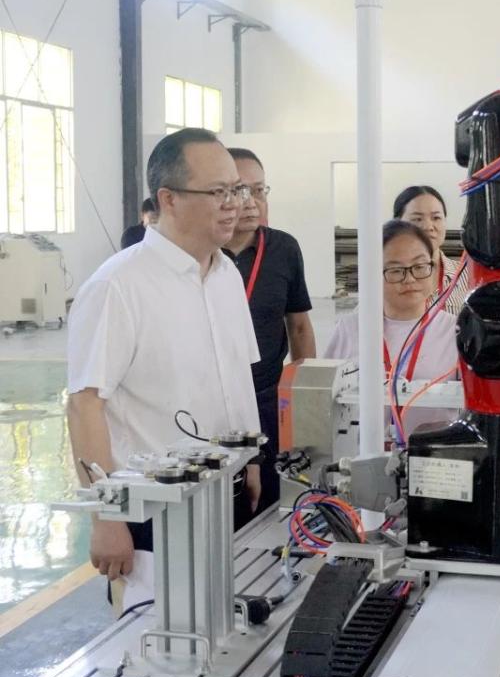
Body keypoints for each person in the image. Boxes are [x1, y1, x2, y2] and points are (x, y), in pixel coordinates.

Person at [67, 128, 261, 589]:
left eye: (238, 190)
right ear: (168, 199)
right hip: (154, 509)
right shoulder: (118, 286)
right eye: (218, 192)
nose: (235, 204)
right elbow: (84, 405)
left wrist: (250, 460)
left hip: (227, 494)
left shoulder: (226, 274)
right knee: (159, 630)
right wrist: (106, 517)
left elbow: (237, 375)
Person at [223, 148, 316, 525]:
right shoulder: (202, 255)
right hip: (215, 404)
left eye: (259, 190)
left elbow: (299, 326)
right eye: (240, 190)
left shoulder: (283, 249)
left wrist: (305, 399)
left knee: (270, 503)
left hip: (267, 399)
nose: (252, 202)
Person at [325, 220, 459, 432]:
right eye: (396, 270)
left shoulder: (454, 332)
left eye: (419, 266)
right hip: (362, 449)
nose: (410, 279)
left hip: (432, 451)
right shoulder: (350, 329)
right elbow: (326, 401)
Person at [392, 186, 470, 314]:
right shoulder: (384, 279)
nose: (428, 227)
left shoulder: (468, 277)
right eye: (417, 219)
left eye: (436, 218)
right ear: (397, 224)